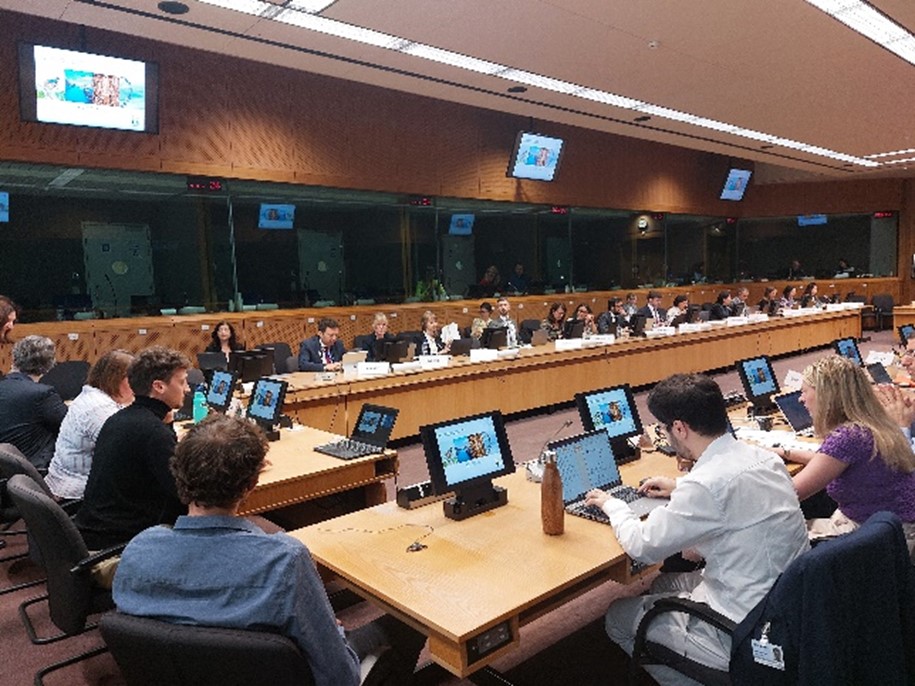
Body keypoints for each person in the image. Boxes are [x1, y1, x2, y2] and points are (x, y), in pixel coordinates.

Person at [112, 415, 425, 686]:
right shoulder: (285, 560)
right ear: (251, 486)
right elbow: (339, 677)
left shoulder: (139, 548)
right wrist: (327, 632)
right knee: (409, 620)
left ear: (178, 476)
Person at [584, 374, 808, 686]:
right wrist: (679, 487)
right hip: (788, 603)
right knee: (663, 583)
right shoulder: (764, 459)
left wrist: (612, 505)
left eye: (663, 428)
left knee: (616, 616)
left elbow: (641, 545)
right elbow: (728, 498)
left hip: (744, 628)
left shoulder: (704, 484)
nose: (665, 435)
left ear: (679, 428)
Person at [774, 356, 915, 559]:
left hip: (876, 543)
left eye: (805, 391)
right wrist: (786, 452)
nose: (800, 399)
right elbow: (830, 461)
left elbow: (789, 494)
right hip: (895, 532)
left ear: (826, 395)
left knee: (773, 536)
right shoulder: (874, 423)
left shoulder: (848, 437)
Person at [75, 346, 191, 553]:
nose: (187, 389)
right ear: (159, 387)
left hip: (96, 532)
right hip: (119, 547)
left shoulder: (121, 418)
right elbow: (184, 494)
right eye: (182, 382)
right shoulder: (152, 432)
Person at [45, 350, 135, 500]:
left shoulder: (91, 396)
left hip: (65, 482)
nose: (136, 386)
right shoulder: (100, 409)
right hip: (77, 492)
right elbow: (131, 451)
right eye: (132, 379)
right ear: (116, 379)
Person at [0, 335, 67, 470]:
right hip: (34, 472)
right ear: (48, 366)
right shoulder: (43, 394)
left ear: (14, 359)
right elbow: (69, 427)